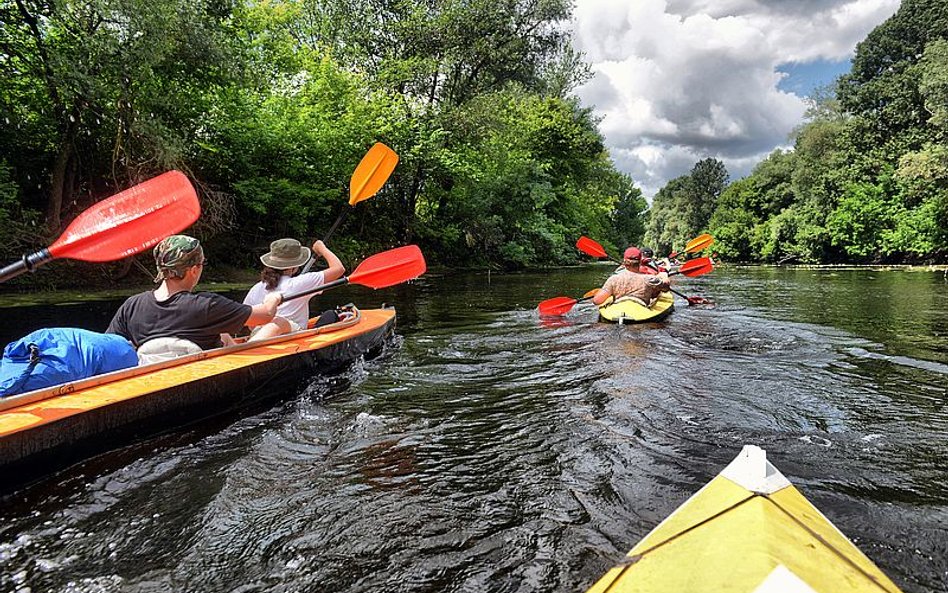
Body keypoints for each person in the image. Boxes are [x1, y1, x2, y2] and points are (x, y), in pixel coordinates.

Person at [107, 235, 281, 358]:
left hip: (150, 377)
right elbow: (265, 315)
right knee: (279, 324)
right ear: (194, 270)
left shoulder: (132, 305)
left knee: (224, 336)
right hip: (204, 378)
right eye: (202, 264)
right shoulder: (206, 305)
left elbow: (110, 346)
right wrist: (273, 299)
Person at [243, 239, 345, 340]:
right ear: (295, 266)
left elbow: (248, 322)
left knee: (275, 323)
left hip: (258, 333)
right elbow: (339, 269)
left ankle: (252, 343)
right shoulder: (301, 282)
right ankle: (252, 347)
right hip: (291, 336)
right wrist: (321, 247)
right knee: (279, 322)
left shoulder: (256, 288)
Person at [594, 246, 670, 307]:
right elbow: (666, 288)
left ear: (624, 262)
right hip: (641, 315)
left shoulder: (613, 279)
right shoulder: (650, 279)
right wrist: (664, 275)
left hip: (618, 312)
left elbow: (597, 301)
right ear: (640, 261)